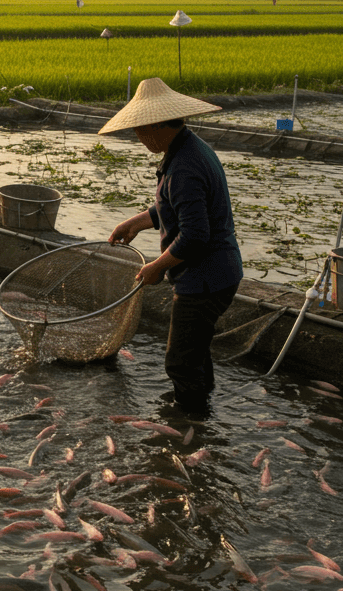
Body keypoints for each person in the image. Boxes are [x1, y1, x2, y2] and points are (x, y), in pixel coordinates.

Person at [103, 77, 242, 414]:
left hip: (205, 279)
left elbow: (195, 235)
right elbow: (173, 208)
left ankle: (189, 425)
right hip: (219, 272)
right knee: (193, 351)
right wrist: (135, 223)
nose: (137, 136)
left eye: (139, 129)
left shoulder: (183, 166)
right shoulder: (189, 147)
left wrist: (156, 267)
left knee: (179, 361)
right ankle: (200, 406)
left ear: (156, 125)